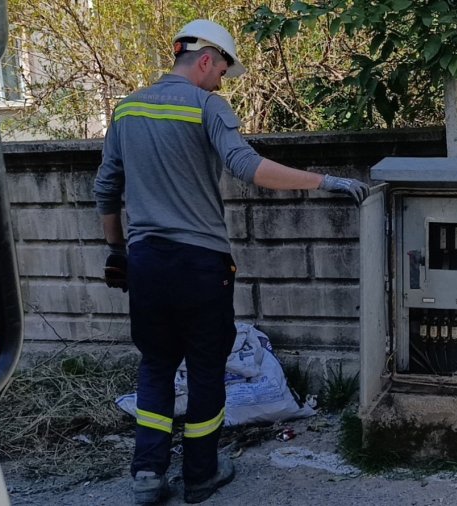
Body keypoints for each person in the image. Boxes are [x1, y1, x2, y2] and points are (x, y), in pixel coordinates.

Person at [93, 19, 368, 505]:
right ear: (204, 60)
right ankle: (200, 475)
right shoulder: (207, 106)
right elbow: (248, 167)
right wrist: (325, 181)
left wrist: (117, 252)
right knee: (203, 367)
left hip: (147, 263)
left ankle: (147, 475)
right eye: (222, 67)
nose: (222, 79)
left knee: (156, 365)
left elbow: (106, 189)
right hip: (201, 264)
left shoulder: (127, 109)